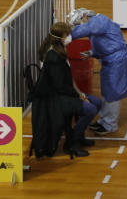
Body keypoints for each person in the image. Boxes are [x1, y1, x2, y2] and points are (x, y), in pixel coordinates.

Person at [30, 21, 101, 158]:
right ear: (59, 37)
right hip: (55, 98)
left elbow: (68, 78)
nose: (69, 37)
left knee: (97, 102)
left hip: (66, 92)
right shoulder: (53, 57)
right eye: (67, 34)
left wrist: (80, 93)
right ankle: (71, 142)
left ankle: (78, 136)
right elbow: (59, 86)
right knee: (90, 109)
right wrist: (78, 96)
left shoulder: (61, 50)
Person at [69, 8, 127, 135]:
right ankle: (104, 120)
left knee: (112, 93)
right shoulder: (97, 24)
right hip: (111, 61)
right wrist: (91, 52)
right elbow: (105, 44)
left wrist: (67, 35)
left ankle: (110, 125)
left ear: (85, 16)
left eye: (79, 22)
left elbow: (85, 30)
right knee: (106, 92)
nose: (80, 25)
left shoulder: (99, 19)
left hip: (117, 61)